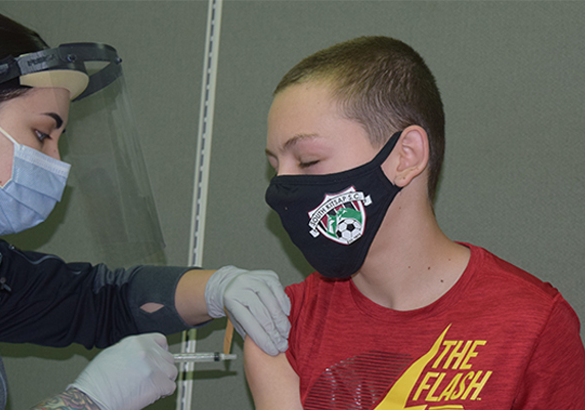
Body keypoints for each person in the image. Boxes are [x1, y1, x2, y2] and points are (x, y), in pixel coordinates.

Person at [0, 8, 292, 410]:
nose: (57, 160)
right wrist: (86, 401)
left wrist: (218, 288)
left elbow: (91, 302)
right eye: (42, 132)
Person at [245, 36, 585, 409]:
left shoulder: (531, 323)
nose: (283, 189)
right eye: (276, 166)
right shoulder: (282, 325)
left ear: (406, 156)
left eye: (308, 161)